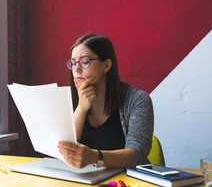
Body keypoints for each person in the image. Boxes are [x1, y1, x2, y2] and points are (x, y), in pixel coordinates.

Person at [57, 34, 154, 169]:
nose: (76, 70)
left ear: (106, 65)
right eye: (73, 63)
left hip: (126, 181)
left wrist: (95, 157)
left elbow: (137, 154)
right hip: (83, 180)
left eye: (84, 62)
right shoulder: (69, 100)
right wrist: (81, 108)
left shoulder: (137, 100)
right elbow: (62, 148)